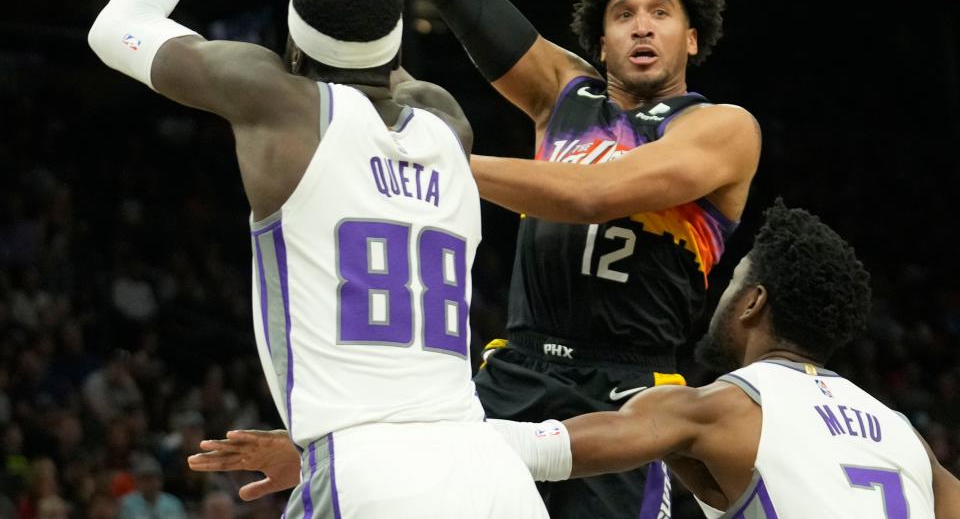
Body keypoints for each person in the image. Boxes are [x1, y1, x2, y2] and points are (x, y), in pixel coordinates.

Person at [87, 0, 547, 518]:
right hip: (489, 470)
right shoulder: (443, 119)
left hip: (366, 471)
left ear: (294, 52)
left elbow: (115, 28)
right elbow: (358, 41)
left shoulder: (281, 103)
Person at [184, 202, 960, 518]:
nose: (717, 298)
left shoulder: (720, 406)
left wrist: (332, 452)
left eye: (732, 286)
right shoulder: (905, 438)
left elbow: (544, 447)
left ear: (753, 305)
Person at [415, 0, 761, 517]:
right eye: (623, 13)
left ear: (690, 38)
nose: (641, 24)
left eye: (660, 12)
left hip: (631, 396)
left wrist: (441, 160)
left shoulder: (722, 128)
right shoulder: (561, 94)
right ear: (599, 43)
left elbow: (594, 195)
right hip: (514, 371)